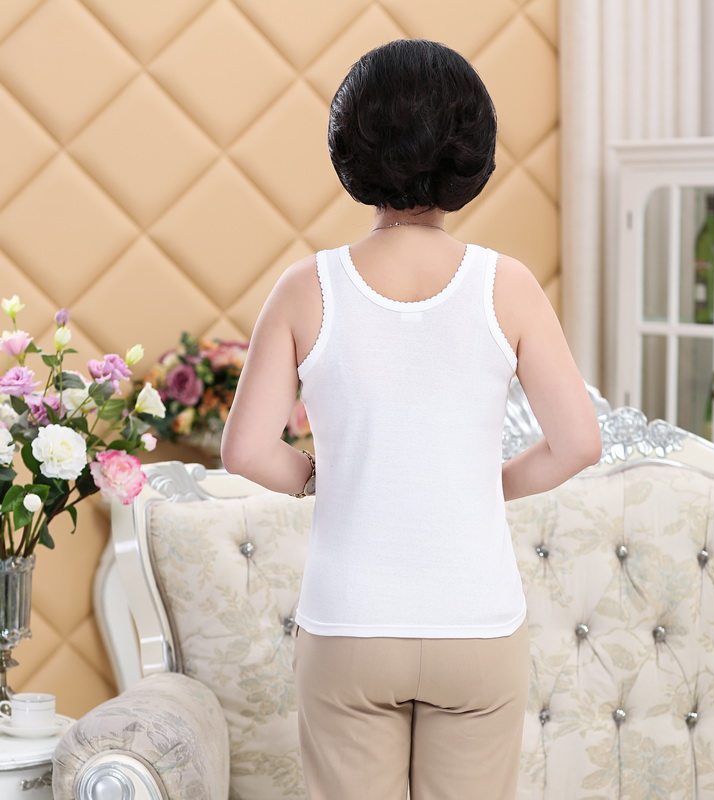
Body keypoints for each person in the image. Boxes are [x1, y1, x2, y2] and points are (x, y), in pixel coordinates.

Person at [221, 38, 602, 800]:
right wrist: (483, 484)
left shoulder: (305, 288)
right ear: (470, 150)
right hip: (477, 623)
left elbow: (245, 451)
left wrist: (323, 477)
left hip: (349, 624)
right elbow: (579, 443)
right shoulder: (508, 286)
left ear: (351, 146)